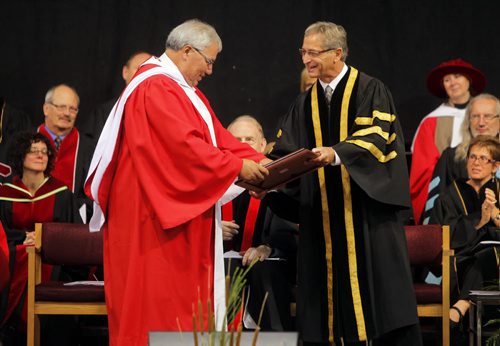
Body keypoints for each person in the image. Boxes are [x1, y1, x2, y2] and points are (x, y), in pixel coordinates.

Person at [84, 19, 269, 346]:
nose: (210, 71)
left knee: (180, 316)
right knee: (155, 314)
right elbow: (184, 151)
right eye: (209, 61)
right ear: (187, 51)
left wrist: (264, 162)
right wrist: (239, 167)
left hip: (173, 222)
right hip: (152, 223)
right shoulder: (156, 87)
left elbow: (218, 138)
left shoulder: (182, 90)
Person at [268, 21, 421, 345]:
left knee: (379, 302)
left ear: (337, 53)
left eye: (313, 52)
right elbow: (286, 150)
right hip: (321, 221)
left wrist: (336, 154)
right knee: (324, 310)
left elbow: (378, 135)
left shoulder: (370, 90)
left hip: (365, 216)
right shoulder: (305, 102)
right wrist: (268, 177)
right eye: (303, 52)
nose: (306, 59)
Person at [0, 132, 82, 345]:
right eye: (34, 151)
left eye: (44, 152)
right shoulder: (5, 193)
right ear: (21, 157)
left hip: (52, 265)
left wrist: (45, 239)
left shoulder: (62, 194)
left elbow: (73, 235)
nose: (40, 156)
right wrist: (23, 238)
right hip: (14, 262)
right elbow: (2, 233)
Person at [223, 115, 298, 331]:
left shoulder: (276, 181)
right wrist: (213, 233)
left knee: (264, 269)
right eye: (236, 140)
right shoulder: (211, 182)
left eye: (250, 139)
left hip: (265, 268)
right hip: (219, 262)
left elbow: (288, 232)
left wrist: (268, 247)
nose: (243, 145)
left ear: (263, 144)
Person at [429, 135, 500, 343]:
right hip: (461, 261)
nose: (476, 163)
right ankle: (464, 305)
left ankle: (461, 306)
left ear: (495, 166)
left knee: (491, 252)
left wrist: (494, 215)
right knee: (485, 255)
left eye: (483, 159)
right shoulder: (449, 196)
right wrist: (480, 221)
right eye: (472, 157)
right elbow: (445, 235)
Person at [410, 59, 486, 224]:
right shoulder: (431, 121)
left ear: (469, 80)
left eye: (457, 76)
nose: (453, 83)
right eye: (447, 80)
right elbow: (424, 169)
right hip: (450, 194)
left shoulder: (488, 113)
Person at [422, 94, 500, 224]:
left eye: (487, 116)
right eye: (475, 116)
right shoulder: (452, 158)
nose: (481, 123)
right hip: (462, 238)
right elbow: (436, 209)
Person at [38, 84, 95, 222]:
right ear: (46, 109)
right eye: (61, 107)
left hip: (72, 228)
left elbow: (94, 194)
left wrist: (71, 213)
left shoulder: (90, 148)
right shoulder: (25, 144)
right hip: (29, 226)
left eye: (72, 109)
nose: (67, 113)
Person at [80, 51, 152, 140]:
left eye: (149, 70)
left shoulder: (161, 113)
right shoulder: (103, 113)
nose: (144, 74)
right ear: (125, 72)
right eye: (139, 68)